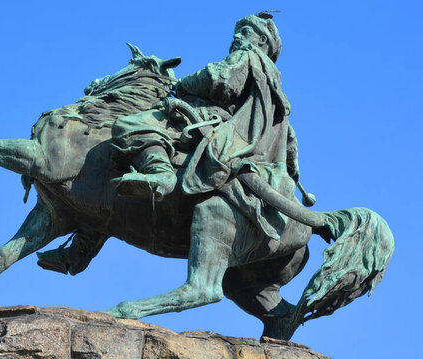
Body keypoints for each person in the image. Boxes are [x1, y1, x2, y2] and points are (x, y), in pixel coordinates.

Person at [38, 13, 302, 270]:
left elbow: (220, 79)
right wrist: (292, 171)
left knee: (131, 125)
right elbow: (289, 140)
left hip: (210, 126)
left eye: (245, 32)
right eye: (238, 31)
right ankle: (81, 246)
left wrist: (183, 84)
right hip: (233, 139)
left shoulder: (247, 56)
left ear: (261, 42)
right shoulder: (276, 90)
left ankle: (160, 174)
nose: (237, 36)